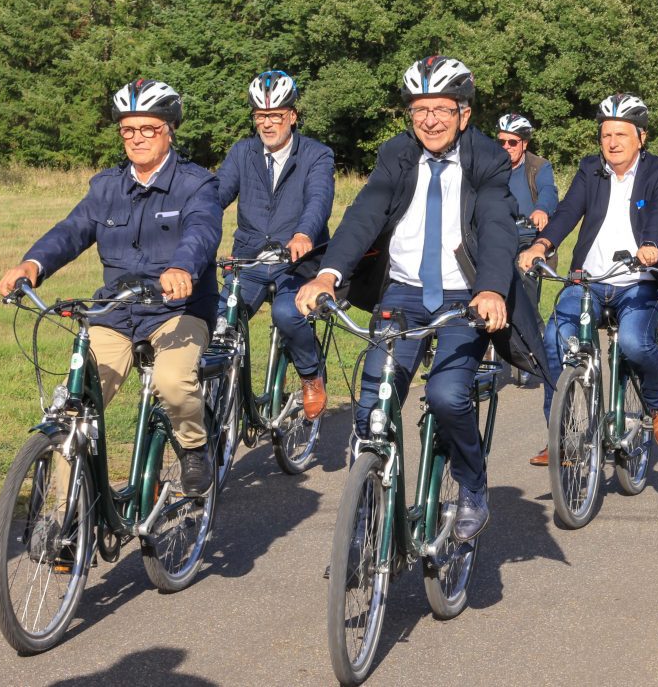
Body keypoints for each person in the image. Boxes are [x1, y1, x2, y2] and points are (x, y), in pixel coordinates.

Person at [296, 55, 547, 540]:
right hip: (404, 292)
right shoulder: (397, 154)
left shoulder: (487, 160)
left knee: (448, 395)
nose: (429, 120)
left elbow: (496, 225)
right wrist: (327, 274)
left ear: (464, 114)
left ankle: (472, 486)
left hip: (463, 297)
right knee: (373, 407)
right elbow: (365, 213)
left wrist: (492, 288)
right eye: (419, 110)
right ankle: (366, 525)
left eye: (441, 109)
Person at [0, 80, 223, 496]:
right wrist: (33, 262)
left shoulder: (196, 184)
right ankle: (66, 522)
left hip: (178, 309)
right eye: (128, 130)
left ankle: (194, 446)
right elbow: (72, 230)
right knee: (75, 409)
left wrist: (181, 267)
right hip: (116, 312)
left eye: (148, 129)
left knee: (173, 382)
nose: (137, 139)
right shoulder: (107, 187)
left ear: (170, 129)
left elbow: (202, 231)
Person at [517, 93, 658, 466]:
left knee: (633, 341)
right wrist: (542, 244)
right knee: (553, 340)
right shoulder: (590, 170)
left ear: (641, 137)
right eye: (605, 135)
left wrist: (650, 244)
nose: (612, 143)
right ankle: (562, 435)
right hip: (589, 281)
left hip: (638, 280)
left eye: (621, 135)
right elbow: (566, 212)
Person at [217, 70, 335, 419]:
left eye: (275, 116)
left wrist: (304, 234)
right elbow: (217, 194)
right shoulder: (242, 153)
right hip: (250, 260)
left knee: (287, 312)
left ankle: (311, 376)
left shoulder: (316, 155)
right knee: (221, 320)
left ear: (292, 116)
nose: (267, 125)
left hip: (297, 261)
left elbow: (319, 199)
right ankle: (219, 393)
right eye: (261, 116)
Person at [496, 113, 559, 247]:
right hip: (498, 236)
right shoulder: (490, 167)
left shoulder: (539, 166)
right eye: (501, 142)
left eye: (512, 142)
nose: (506, 146)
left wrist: (541, 209)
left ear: (524, 144)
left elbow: (548, 189)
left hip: (529, 237)